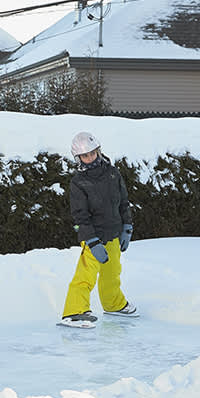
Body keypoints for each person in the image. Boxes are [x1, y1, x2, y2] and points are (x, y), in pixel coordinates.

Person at [60, 131, 136, 327]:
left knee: (112, 272)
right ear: (78, 158)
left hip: (114, 233)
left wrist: (127, 227)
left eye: (93, 153)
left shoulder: (112, 173)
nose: (90, 158)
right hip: (94, 237)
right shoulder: (78, 182)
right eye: (85, 156)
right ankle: (74, 311)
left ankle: (114, 304)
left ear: (98, 151)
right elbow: (79, 216)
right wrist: (91, 241)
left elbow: (123, 202)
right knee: (85, 276)